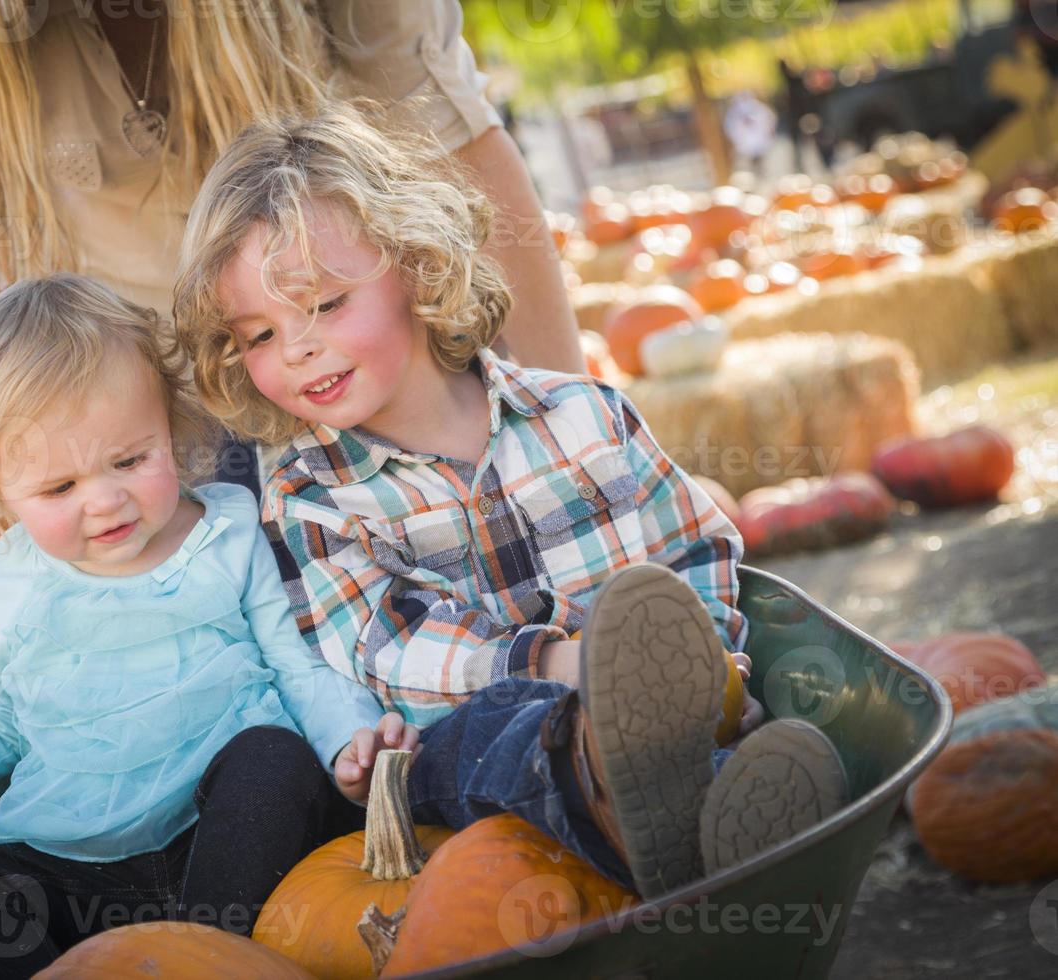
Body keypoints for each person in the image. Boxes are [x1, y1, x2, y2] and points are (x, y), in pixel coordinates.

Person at [172, 105, 850, 900]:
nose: (295, 348)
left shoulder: (583, 414)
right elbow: (389, 650)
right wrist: (564, 665)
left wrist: (711, 669)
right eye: (257, 335)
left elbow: (692, 549)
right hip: (465, 781)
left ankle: (727, 812)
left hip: (662, 729)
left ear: (418, 268)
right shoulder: (309, 498)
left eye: (323, 305)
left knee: (719, 736)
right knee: (491, 737)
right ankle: (641, 824)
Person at [0, 0, 585, 708]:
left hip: (348, 376)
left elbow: (456, 146)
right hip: (146, 419)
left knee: (418, 616)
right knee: (223, 678)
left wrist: (558, 431)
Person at [0, 274, 415, 977]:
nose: (104, 500)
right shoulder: (15, 577)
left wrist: (350, 738)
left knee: (273, 759)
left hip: (224, 851)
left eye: (130, 459)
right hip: (74, 868)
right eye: (59, 488)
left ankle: (208, 963)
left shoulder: (228, 534)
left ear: (172, 427)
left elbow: (296, 665)